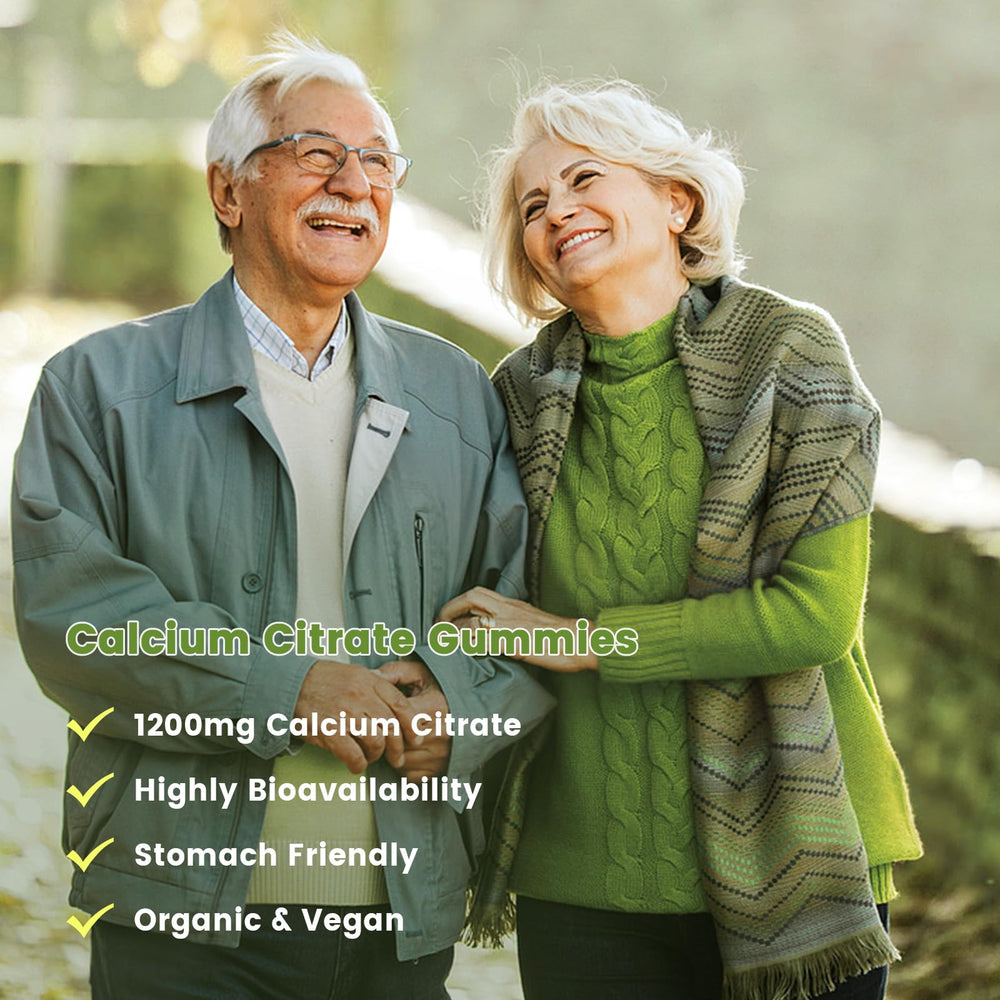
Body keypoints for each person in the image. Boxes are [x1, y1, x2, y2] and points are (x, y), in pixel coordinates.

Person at [11, 34, 553, 1000]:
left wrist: (457, 709)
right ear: (229, 193)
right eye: (316, 154)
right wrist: (288, 684)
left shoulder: (456, 395)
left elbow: (524, 605)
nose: (354, 184)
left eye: (378, 160)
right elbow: (73, 620)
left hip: (397, 917)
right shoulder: (96, 387)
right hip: (180, 916)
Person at [444, 80, 922, 1000]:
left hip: (800, 854)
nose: (558, 212)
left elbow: (814, 618)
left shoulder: (794, 353)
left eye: (585, 177)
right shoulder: (514, 397)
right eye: (533, 204)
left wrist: (590, 644)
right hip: (584, 872)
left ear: (677, 199)